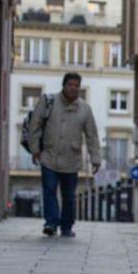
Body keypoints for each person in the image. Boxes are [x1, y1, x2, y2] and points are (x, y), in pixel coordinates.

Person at [27, 72, 102, 237]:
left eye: (77, 85)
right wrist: (35, 149)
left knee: (69, 196)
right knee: (49, 191)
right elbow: (34, 126)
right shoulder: (48, 102)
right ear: (63, 86)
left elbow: (92, 135)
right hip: (49, 156)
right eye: (70, 85)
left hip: (71, 159)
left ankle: (67, 226)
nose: (74, 88)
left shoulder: (85, 108)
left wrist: (95, 158)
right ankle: (51, 223)